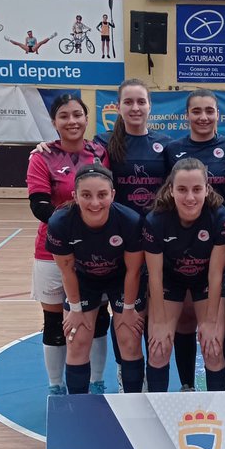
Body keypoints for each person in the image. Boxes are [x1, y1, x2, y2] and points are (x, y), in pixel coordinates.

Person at [27, 93, 111, 395]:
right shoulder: (42, 156)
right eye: (64, 116)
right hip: (51, 251)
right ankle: (56, 386)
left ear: (87, 119)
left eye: (77, 114)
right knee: (54, 322)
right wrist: (73, 229)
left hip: (94, 252)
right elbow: (39, 205)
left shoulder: (100, 153)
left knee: (98, 319)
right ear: (54, 122)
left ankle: (97, 381)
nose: (72, 121)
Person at [46, 163, 146, 395]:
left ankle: (133, 401)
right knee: (78, 340)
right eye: (86, 195)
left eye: (102, 195)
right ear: (75, 196)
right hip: (83, 280)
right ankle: (78, 405)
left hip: (121, 279)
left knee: (129, 339)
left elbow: (133, 271)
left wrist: (129, 309)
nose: (94, 203)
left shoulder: (130, 221)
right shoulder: (60, 223)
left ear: (113, 194)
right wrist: (75, 309)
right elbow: (67, 270)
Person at [163, 89, 225, 390]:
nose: (203, 117)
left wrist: (217, 212)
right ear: (187, 115)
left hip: (218, 240)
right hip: (181, 243)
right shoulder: (173, 149)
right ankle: (186, 385)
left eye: (210, 110)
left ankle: (218, 390)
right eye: (196, 111)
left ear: (218, 114)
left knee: (216, 322)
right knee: (184, 318)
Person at [143, 159, 225, 393]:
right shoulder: (156, 220)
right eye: (182, 189)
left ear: (207, 189)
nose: (190, 197)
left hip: (206, 279)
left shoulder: (221, 218)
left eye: (196, 189)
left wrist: (212, 322)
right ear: (171, 189)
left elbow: (216, 274)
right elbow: (155, 275)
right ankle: (161, 407)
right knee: (158, 348)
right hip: (169, 279)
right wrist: (159, 323)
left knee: (213, 348)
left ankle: (217, 408)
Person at [97, 79, 167, 216]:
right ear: (118, 107)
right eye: (128, 102)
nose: (135, 108)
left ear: (149, 106)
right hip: (118, 223)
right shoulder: (103, 142)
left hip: (156, 223)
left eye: (141, 102)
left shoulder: (166, 144)